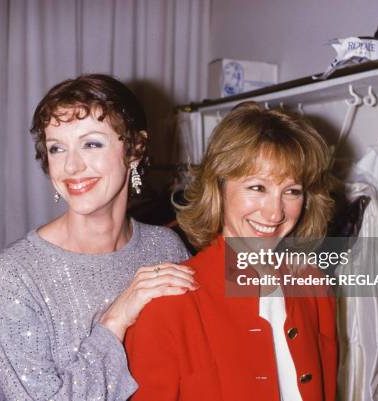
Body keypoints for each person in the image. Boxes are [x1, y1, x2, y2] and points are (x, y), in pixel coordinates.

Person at [0, 74, 197, 401]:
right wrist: (115, 321)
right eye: (57, 148)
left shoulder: (166, 247)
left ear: (135, 149)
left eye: (91, 143)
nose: (71, 166)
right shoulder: (12, 276)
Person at [126, 102, 337, 401]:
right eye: (257, 188)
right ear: (219, 187)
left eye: (291, 191)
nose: (275, 212)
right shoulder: (169, 305)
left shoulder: (313, 286)